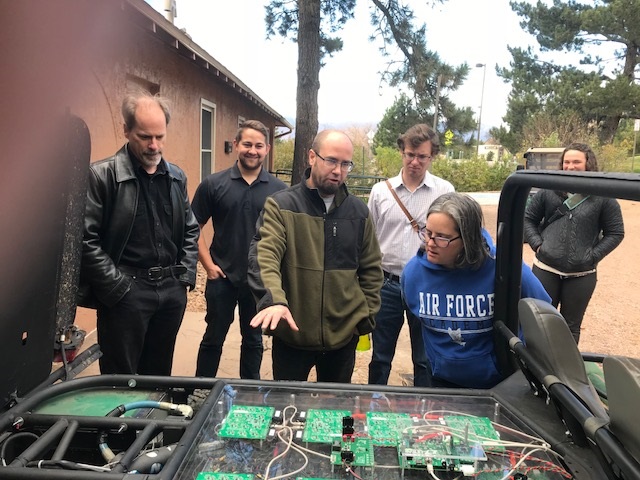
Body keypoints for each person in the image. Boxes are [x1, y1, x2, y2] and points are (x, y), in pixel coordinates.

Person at [79, 90, 199, 376]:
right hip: (126, 292)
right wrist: (117, 288)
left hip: (170, 292)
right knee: (120, 379)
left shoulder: (176, 177)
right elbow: (84, 240)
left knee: (159, 378)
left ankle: (153, 421)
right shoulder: (102, 176)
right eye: (145, 136)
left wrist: (184, 278)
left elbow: (191, 229)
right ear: (126, 130)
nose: (154, 145)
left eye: (159, 136)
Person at [248, 130, 383, 383]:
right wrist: (273, 300)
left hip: (342, 340)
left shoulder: (359, 212)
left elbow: (372, 270)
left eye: (345, 164)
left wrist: (364, 317)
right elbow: (265, 256)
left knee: (336, 412)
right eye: (331, 160)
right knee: (287, 412)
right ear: (312, 157)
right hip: (292, 337)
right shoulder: (281, 206)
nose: (338, 170)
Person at [402, 193, 551, 389]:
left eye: (442, 238)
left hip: (498, 383)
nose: (430, 243)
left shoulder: (503, 267)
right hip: (441, 379)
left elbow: (544, 313)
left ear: (467, 239)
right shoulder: (413, 273)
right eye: (428, 233)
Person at [191, 120, 287, 379]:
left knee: (254, 341)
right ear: (236, 145)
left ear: (267, 149)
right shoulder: (213, 184)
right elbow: (192, 228)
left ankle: (250, 394)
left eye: (258, 146)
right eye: (247, 144)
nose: (252, 150)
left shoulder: (280, 191)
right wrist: (208, 266)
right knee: (213, 338)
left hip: (259, 282)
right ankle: (201, 390)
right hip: (222, 277)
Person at [367, 124, 454, 387]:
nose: (415, 161)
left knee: (425, 357)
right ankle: (373, 407)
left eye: (422, 156)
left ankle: (424, 412)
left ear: (432, 156)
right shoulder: (381, 192)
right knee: (381, 356)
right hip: (387, 284)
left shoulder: (445, 191)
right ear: (402, 153)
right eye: (409, 154)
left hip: (429, 283)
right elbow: (368, 239)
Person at [524, 143, 624, 344]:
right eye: (567, 162)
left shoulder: (603, 196)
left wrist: (592, 256)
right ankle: (536, 370)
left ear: (588, 164)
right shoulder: (548, 190)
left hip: (582, 274)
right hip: (546, 268)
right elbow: (528, 219)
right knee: (539, 323)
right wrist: (537, 244)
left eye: (576, 161)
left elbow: (616, 232)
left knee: (570, 328)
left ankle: (565, 371)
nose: (570, 166)